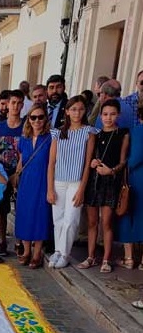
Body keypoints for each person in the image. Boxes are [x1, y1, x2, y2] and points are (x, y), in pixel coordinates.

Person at [47, 95, 96, 269]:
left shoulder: (89, 133)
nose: (77, 113)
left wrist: (82, 189)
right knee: (58, 218)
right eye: (73, 109)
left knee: (71, 219)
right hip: (59, 180)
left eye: (81, 109)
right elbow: (52, 162)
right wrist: (50, 188)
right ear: (67, 111)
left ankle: (65, 253)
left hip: (76, 181)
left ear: (85, 111)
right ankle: (58, 251)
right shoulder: (58, 133)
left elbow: (87, 164)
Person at [82, 99, 129, 273]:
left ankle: (106, 259)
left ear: (118, 115)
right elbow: (90, 156)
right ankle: (90, 256)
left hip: (110, 182)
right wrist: (93, 162)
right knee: (92, 222)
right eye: (105, 114)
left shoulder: (122, 134)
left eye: (112, 114)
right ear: (100, 116)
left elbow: (123, 161)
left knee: (106, 222)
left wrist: (111, 171)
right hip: (94, 182)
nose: (108, 118)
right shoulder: (96, 134)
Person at [14, 104, 52, 268]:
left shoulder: (51, 138)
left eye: (40, 117)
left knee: (40, 216)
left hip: (42, 180)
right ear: (28, 119)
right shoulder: (24, 139)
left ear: (45, 118)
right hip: (26, 182)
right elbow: (21, 161)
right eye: (33, 117)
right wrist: (16, 178)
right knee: (25, 214)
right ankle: (26, 251)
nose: (37, 120)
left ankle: (37, 253)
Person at [0, 89, 25, 256]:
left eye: (19, 103)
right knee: (1, 210)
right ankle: (2, 241)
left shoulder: (26, 127)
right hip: (2, 174)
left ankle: (19, 242)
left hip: (20, 174)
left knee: (20, 209)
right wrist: (0, 174)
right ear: (8, 104)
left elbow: (26, 152)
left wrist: (17, 173)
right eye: (13, 103)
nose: (16, 106)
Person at [116, 105, 143, 274]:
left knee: (128, 215)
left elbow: (136, 157)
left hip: (137, 179)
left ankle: (129, 258)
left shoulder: (139, 130)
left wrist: (122, 169)